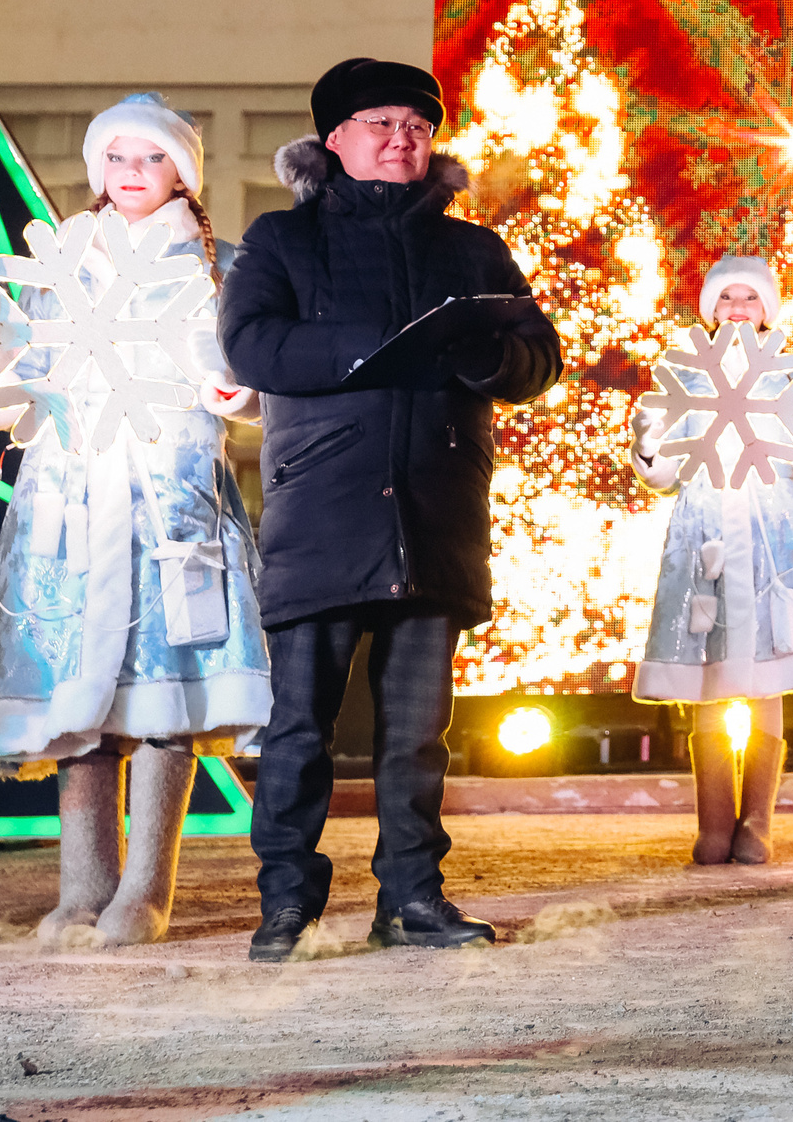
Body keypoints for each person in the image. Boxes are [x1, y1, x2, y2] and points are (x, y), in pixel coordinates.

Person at [222, 57, 563, 961]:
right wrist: (388, 345)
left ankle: (412, 899)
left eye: (417, 125)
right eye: (381, 123)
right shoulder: (281, 240)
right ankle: (285, 903)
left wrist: (480, 358)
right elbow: (256, 346)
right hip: (323, 518)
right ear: (334, 139)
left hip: (434, 511)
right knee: (298, 730)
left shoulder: (473, 250)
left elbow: (538, 355)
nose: (402, 138)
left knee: (416, 737)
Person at [0, 96, 268, 944]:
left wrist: (235, 389)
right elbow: (23, 372)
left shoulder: (221, 268)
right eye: (118, 158)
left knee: (164, 688)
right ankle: (81, 886)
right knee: (82, 699)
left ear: (182, 172)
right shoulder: (67, 260)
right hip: (71, 498)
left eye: (152, 159)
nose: (132, 174)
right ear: (97, 168)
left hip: (169, 500)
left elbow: (249, 377)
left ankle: (145, 888)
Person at [629, 257, 793, 867]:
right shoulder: (681, 373)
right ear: (710, 307)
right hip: (705, 536)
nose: (737, 308)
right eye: (726, 298)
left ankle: (756, 823)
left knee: (765, 678)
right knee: (707, 677)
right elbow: (665, 472)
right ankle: (712, 823)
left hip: (769, 534)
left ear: (767, 309)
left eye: (749, 298)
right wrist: (648, 447)